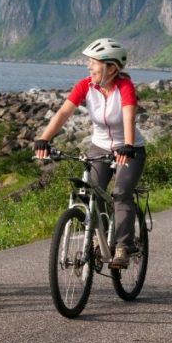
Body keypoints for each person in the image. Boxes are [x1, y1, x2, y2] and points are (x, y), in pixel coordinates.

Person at [33, 38, 146, 269]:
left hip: (130, 149)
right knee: (90, 191)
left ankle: (124, 246)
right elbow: (64, 113)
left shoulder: (124, 87)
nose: (88, 67)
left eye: (93, 62)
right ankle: (98, 237)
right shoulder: (85, 85)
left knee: (120, 193)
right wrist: (44, 138)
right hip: (99, 147)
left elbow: (128, 116)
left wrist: (128, 144)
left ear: (111, 68)